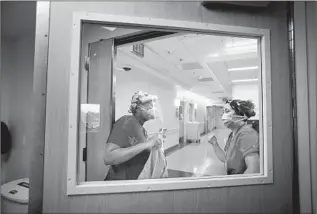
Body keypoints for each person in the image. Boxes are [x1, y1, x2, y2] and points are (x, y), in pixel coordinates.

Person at [104, 91, 164, 180]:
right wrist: (148, 143)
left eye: (153, 106)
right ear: (138, 107)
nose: (153, 109)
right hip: (119, 185)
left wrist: (152, 142)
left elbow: (138, 149)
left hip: (133, 183)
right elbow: (108, 157)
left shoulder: (142, 130)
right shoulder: (126, 122)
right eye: (149, 106)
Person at [208, 99, 260, 175]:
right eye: (223, 112)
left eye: (227, 111)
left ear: (241, 114)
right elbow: (226, 158)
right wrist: (215, 144)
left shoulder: (247, 134)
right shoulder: (232, 135)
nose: (223, 116)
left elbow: (254, 170)